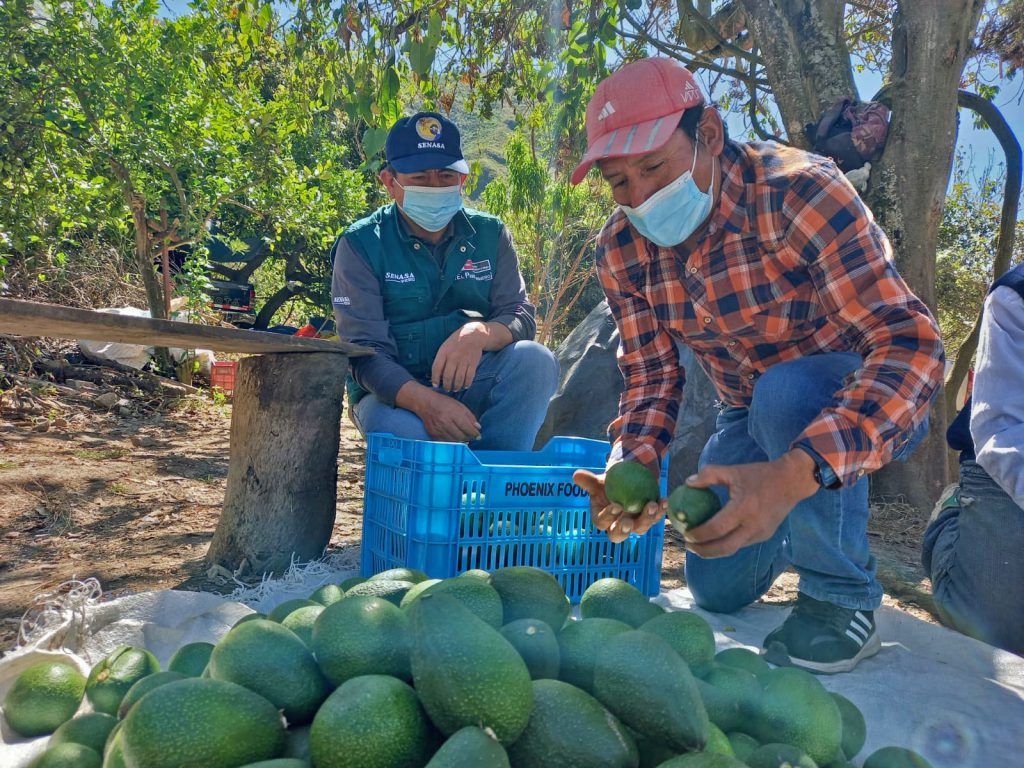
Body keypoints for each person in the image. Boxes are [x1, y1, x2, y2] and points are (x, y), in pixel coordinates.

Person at [570, 57, 944, 673]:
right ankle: (802, 518)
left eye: (654, 168)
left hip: (858, 395)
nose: (638, 198)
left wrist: (792, 475)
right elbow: (651, 374)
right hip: (743, 411)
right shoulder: (621, 250)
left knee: (786, 393)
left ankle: (840, 597)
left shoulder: (801, 193)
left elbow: (912, 345)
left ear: (710, 136)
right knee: (715, 579)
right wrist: (630, 462)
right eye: (618, 182)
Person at [331, 111, 558, 451]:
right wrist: (426, 403)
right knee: (411, 440)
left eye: (446, 175)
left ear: (463, 180)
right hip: (392, 398)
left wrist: (477, 334)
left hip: (472, 383)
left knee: (536, 361)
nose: (435, 186)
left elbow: (520, 315)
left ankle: (492, 491)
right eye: (420, 177)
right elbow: (365, 352)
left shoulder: (490, 234)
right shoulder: (361, 244)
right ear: (390, 182)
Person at [922, 261, 1024, 654]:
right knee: (993, 628)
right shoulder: (1014, 295)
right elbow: (1002, 432)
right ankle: (952, 522)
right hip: (1001, 465)